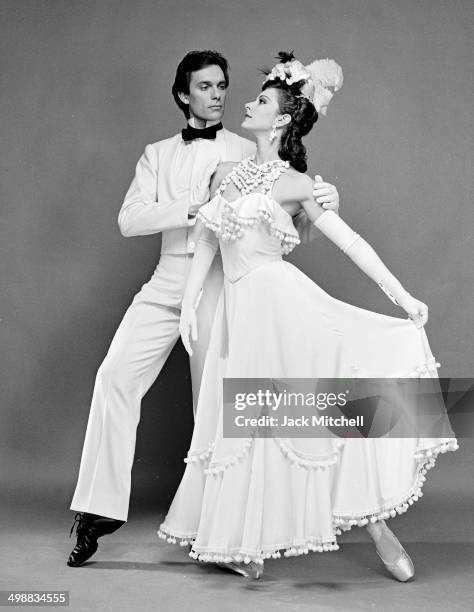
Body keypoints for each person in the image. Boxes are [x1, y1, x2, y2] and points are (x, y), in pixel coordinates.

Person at [157, 52, 458, 581]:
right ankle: (246, 539)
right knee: (255, 419)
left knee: (326, 410)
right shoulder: (225, 171)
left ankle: (378, 525)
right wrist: (187, 305)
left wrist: (403, 297)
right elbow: (205, 238)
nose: (246, 103)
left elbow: (351, 242)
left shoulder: (298, 184)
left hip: (286, 306)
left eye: (262, 100)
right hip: (240, 312)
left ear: (280, 120)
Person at [67, 50, 340, 567]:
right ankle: (95, 511)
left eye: (223, 86)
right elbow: (129, 219)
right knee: (114, 376)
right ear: (182, 94)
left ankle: (228, 536)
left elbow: (290, 221)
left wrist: (323, 199)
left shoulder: (248, 144)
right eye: (206, 86)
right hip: (168, 277)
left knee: (217, 404)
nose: (217, 94)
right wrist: (198, 207)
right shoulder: (156, 154)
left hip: (224, 281)